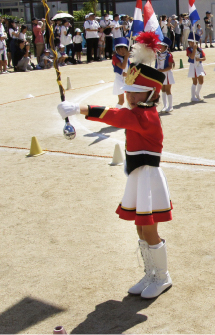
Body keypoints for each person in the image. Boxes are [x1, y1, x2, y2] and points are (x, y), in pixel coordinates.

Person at [56, 31, 173, 299]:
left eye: (136, 92)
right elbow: (121, 113)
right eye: (128, 92)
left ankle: (163, 276)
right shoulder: (138, 111)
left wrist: (78, 109)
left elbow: (115, 115)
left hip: (148, 177)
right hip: (137, 175)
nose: (130, 97)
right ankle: (150, 273)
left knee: (150, 227)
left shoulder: (147, 116)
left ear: (151, 92)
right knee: (139, 227)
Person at [157, 37, 176, 110]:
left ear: (166, 47)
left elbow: (170, 66)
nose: (159, 47)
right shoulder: (158, 55)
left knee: (168, 90)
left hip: (167, 74)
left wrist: (162, 70)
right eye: (159, 46)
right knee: (163, 90)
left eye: (161, 46)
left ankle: (170, 106)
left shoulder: (169, 55)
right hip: (161, 75)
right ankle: (165, 106)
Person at [185, 33, 205, 102]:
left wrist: (199, 59)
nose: (190, 43)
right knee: (194, 82)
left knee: (201, 80)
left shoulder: (200, 49)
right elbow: (192, 57)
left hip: (199, 65)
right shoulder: (188, 49)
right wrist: (194, 49)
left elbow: (204, 58)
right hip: (193, 66)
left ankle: (197, 93)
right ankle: (193, 97)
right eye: (189, 42)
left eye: (192, 42)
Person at [112, 37, 131, 108]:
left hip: (127, 79)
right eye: (121, 49)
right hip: (119, 79)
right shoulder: (115, 57)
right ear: (117, 49)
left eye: (125, 49)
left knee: (129, 99)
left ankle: (130, 114)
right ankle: (115, 113)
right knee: (121, 101)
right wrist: (126, 57)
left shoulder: (126, 58)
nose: (123, 51)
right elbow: (122, 67)